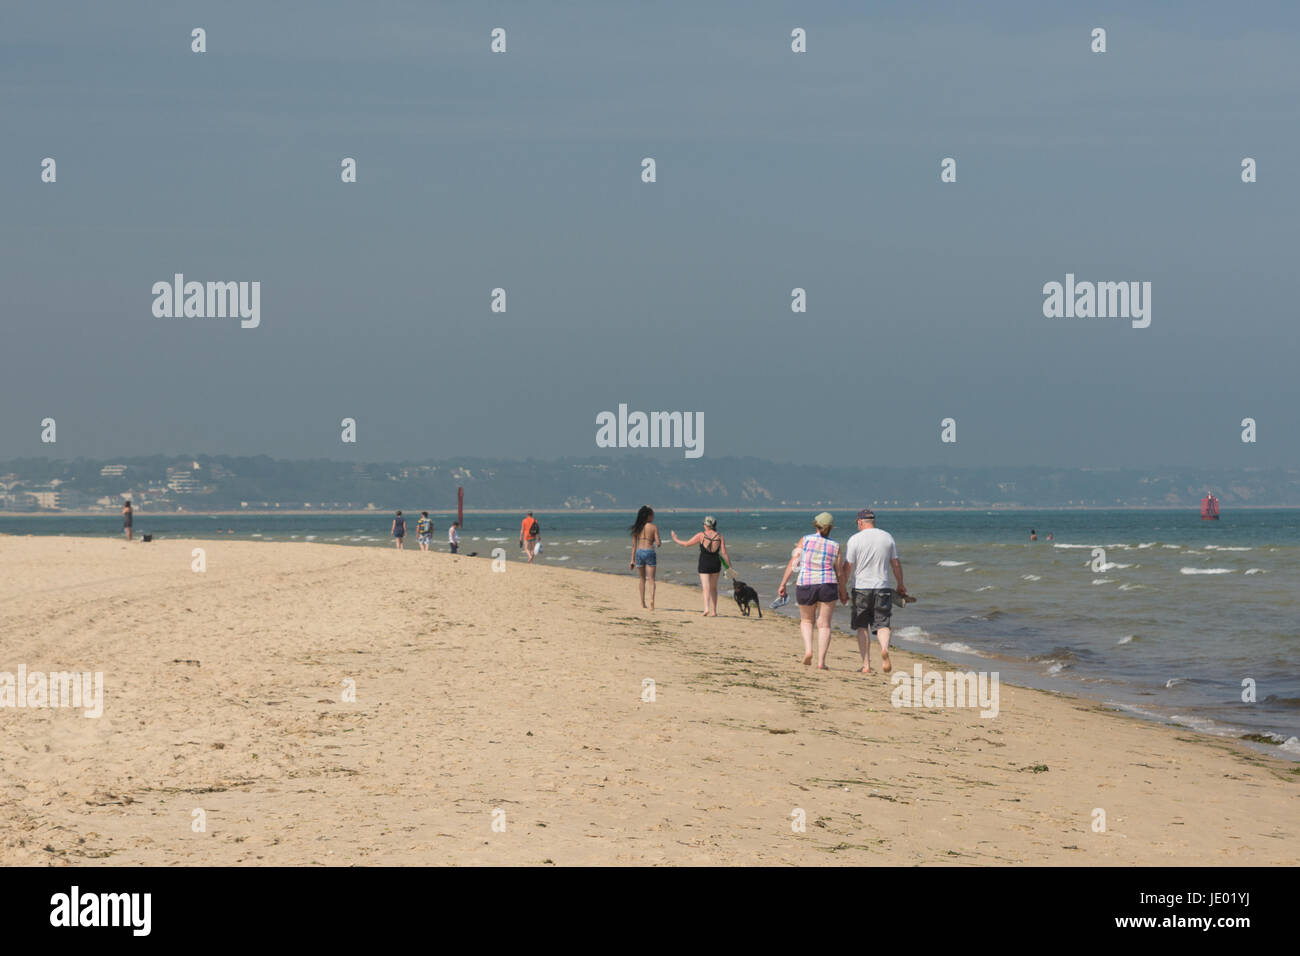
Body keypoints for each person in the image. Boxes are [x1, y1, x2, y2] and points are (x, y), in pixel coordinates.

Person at [778, 512, 846, 669]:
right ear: (831, 528)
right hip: (828, 584)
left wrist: (783, 584)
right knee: (824, 625)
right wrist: (843, 592)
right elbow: (840, 572)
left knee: (807, 620)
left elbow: (793, 563)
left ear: (816, 525)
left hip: (806, 583)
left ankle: (808, 651)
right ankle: (821, 662)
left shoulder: (805, 540)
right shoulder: (835, 546)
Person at [842, 508, 906, 675]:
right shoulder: (887, 537)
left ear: (860, 522)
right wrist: (900, 584)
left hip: (861, 588)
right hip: (882, 586)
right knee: (883, 623)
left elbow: (848, 567)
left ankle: (866, 665)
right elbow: (896, 564)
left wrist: (842, 587)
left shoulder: (854, 539)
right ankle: (884, 649)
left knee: (862, 626)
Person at [670, 516, 731, 616]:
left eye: (704, 524)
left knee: (705, 587)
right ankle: (714, 611)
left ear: (707, 525)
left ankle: (706, 608)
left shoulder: (701, 535)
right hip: (716, 563)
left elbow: (686, 544)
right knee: (714, 588)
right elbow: (724, 553)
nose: (703, 525)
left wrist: (676, 539)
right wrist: (729, 567)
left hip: (704, 563)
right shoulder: (720, 536)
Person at [628, 505, 660, 610]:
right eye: (652, 515)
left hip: (639, 553)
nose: (653, 517)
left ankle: (642, 603)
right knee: (651, 579)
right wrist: (657, 542)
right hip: (650, 551)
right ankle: (652, 600)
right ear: (649, 516)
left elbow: (634, 546)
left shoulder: (636, 528)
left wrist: (632, 560)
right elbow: (658, 543)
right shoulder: (654, 527)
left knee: (642, 579)